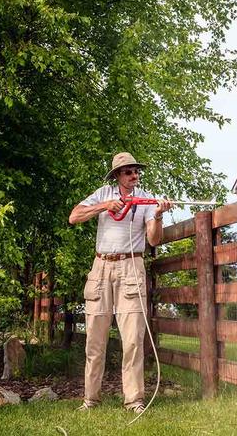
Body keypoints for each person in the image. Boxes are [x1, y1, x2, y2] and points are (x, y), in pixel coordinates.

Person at [68, 152, 172, 413]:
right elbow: (74, 216)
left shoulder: (147, 200)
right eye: (128, 171)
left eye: (136, 171)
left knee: (133, 339)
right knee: (95, 339)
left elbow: (154, 240)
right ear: (117, 175)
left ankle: (134, 400)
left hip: (131, 267)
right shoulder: (103, 193)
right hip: (100, 268)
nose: (134, 175)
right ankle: (90, 400)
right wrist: (104, 207)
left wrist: (159, 216)